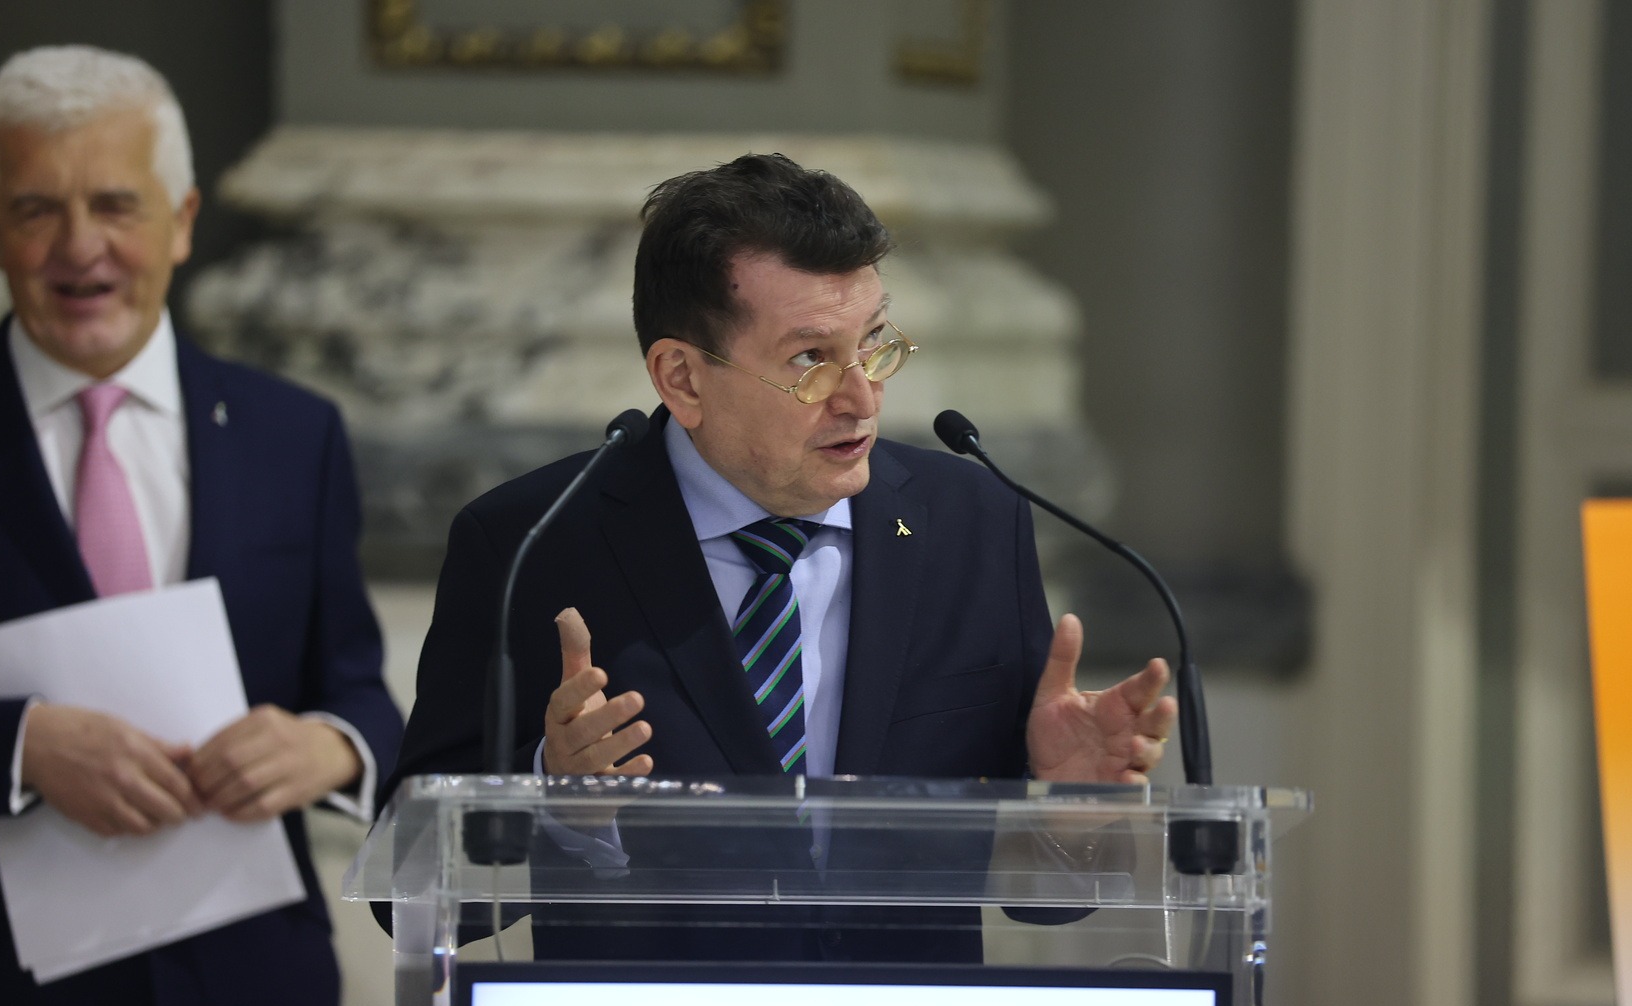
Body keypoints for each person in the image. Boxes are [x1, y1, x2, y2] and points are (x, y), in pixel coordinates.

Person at [383, 152, 1172, 959]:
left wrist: (1068, 817)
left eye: (873, 343)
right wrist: (552, 800)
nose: (861, 398)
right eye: (809, 360)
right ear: (682, 378)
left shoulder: (970, 523)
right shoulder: (534, 541)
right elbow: (406, 885)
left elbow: (1040, 900)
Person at [0, 46, 401, 1006]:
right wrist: (20, 746)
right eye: (36, 209)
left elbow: (357, 690)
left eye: (116, 204)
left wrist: (327, 747)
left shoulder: (294, 435)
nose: (81, 247)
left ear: (182, 220)